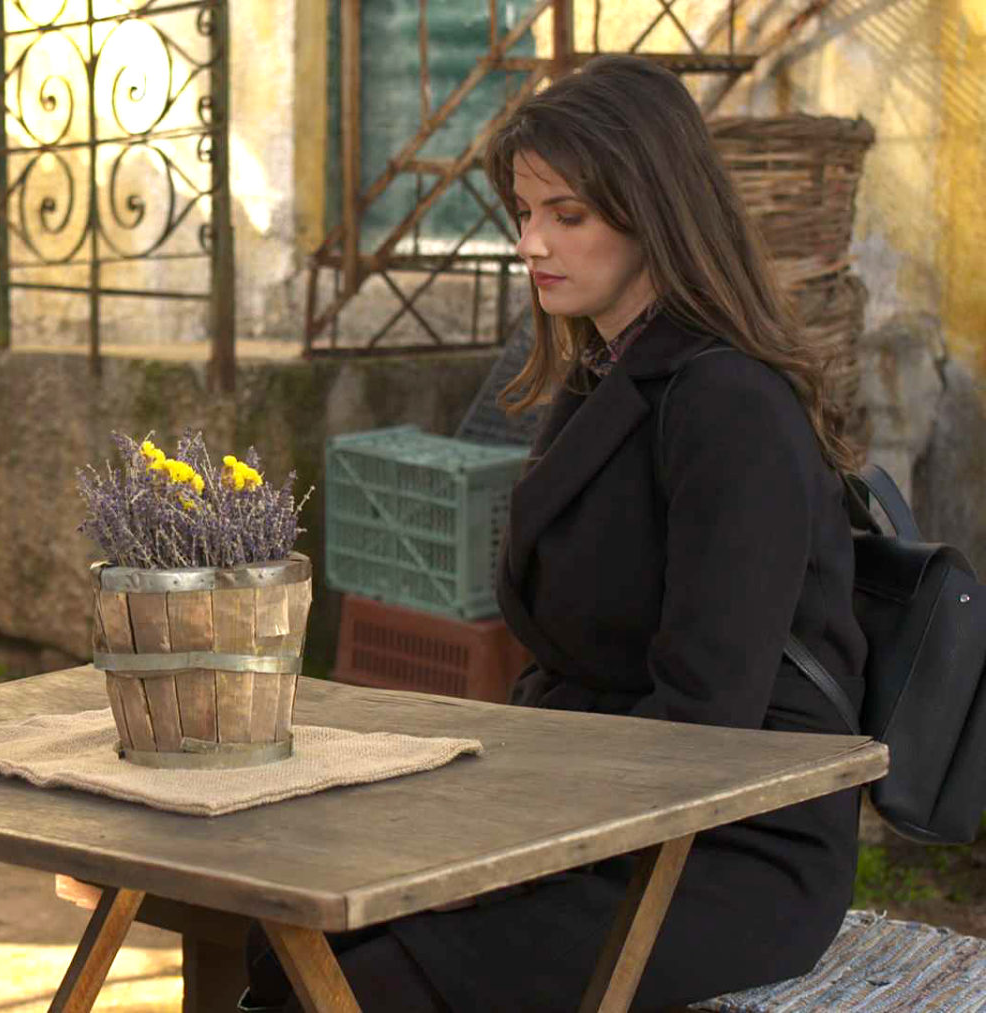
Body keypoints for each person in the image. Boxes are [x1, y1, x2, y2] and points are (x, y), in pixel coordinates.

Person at [244, 55, 867, 1012]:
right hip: (592, 806)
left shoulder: (731, 405)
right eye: (526, 212)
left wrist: (508, 831)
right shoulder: (601, 376)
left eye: (567, 215)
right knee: (281, 929)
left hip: (727, 847)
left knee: (367, 978)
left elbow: (708, 725)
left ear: (655, 213)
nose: (532, 242)